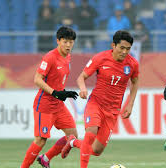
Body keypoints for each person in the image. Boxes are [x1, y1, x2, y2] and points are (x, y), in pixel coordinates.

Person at [60, 30, 139, 168]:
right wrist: (83, 88)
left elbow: (135, 82)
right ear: (113, 45)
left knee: (96, 151)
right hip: (96, 104)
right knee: (90, 135)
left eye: (128, 49)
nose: (125, 52)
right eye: (122, 48)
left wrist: (130, 104)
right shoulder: (100, 58)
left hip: (113, 111)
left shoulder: (132, 64)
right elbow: (81, 77)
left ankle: (73, 142)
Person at [20, 26, 79, 168]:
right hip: (45, 105)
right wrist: (55, 93)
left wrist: (63, 92)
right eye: (65, 42)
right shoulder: (50, 57)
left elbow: (56, 79)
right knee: (41, 140)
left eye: (71, 42)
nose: (68, 45)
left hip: (58, 105)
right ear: (58, 41)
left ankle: (46, 158)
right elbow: (37, 79)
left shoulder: (68, 57)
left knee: (72, 136)